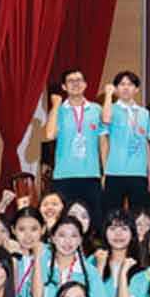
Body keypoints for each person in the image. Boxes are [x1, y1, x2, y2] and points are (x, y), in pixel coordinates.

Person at [46, 68, 108, 222]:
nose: (75, 84)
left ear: (85, 84)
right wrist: (55, 105)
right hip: (63, 176)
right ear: (64, 87)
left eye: (79, 80)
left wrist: (106, 172)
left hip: (91, 175)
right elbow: (50, 134)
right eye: (70, 81)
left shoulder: (96, 110)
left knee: (95, 220)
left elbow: (103, 142)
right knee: (63, 221)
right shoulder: (58, 110)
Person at [100, 71, 150, 217]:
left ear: (137, 89)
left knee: (140, 215)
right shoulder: (110, 109)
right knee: (112, 215)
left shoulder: (144, 113)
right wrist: (108, 95)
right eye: (122, 84)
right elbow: (106, 120)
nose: (125, 88)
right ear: (116, 88)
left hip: (138, 172)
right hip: (114, 172)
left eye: (130, 84)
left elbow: (145, 143)